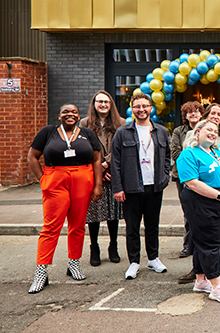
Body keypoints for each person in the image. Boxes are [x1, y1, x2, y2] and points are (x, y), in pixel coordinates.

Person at [27, 104, 103, 293]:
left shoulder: (87, 133)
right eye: (66, 112)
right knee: (51, 226)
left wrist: (98, 185)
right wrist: (43, 180)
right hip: (55, 179)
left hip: (83, 179)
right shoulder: (48, 132)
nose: (70, 115)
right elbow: (32, 156)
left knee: (77, 225)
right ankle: (41, 271)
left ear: (79, 116)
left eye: (74, 112)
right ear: (59, 115)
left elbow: (96, 159)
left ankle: (74, 264)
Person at [177, 119, 220, 304]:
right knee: (209, 243)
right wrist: (219, 195)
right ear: (197, 132)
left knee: (203, 240)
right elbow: (192, 183)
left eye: (215, 130)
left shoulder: (218, 150)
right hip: (201, 202)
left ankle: (201, 280)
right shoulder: (188, 154)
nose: (213, 133)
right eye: (208, 130)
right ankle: (217, 286)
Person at [112, 93, 171, 280]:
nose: (141, 109)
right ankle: (134, 262)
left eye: (145, 106)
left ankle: (153, 258)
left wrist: (165, 176)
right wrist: (118, 188)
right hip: (131, 187)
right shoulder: (123, 132)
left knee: (153, 225)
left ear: (151, 108)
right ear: (132, 109)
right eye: (137, 106)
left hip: (154, 186)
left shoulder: (161, 131)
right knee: (132, 227)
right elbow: (115, 162)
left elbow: (167, 156)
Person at [80, 91, 125, 267]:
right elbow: (83, 148)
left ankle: (113, 247)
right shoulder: (84, 123)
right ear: (94, 104)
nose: (103, 104)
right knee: (94, 215)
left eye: (106, 101)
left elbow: (121, 147)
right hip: (94, 175)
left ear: (111, 104)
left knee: (113, 215)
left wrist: (106, 165)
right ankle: (94, 248)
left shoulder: (121, 123)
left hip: (113, 172)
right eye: (100, 101)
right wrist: (98, 169)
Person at [171, 100, 204, 284]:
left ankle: (199, 251)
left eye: (196, 112)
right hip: (183, 177)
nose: (193, 115)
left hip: (204, 178)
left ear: (201, 114)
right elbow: (175, 153)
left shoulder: (206, 128)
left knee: (201, 214)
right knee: (188, 214)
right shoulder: (178, 132)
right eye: (189, 112)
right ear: (185, 115)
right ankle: (188, 246)